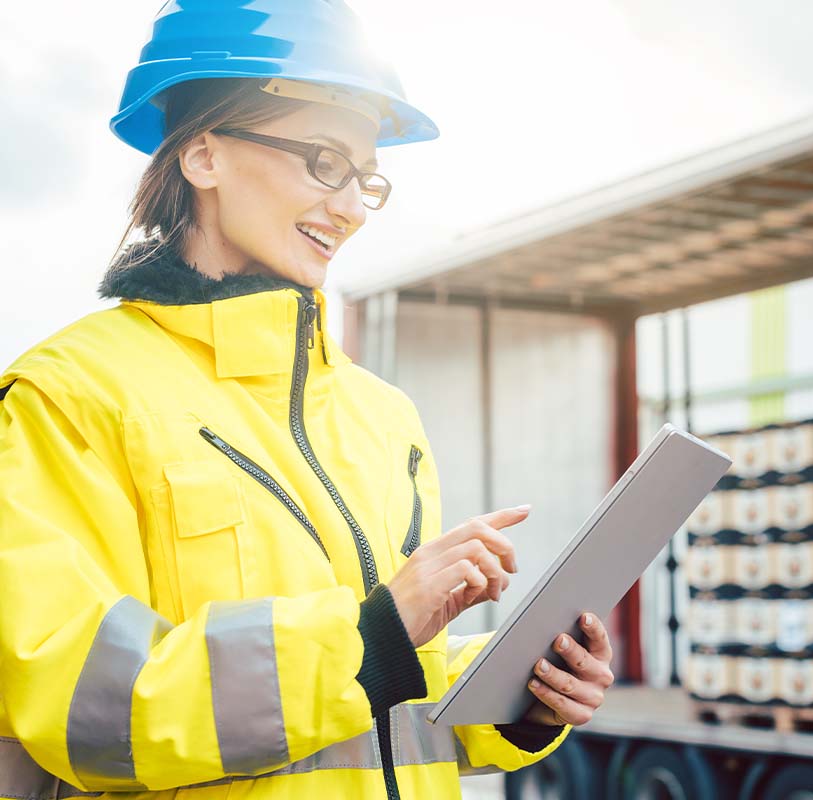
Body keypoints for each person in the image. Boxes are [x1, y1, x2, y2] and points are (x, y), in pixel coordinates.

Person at [0, 2, 615, 798]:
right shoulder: (69, 397)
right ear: (203, 154)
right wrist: (376, 634)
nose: (353, 207)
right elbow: (84, 706)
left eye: (366, 178)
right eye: (325, 162)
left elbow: (383, 709)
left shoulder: (382, 417)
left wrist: (518, 697)